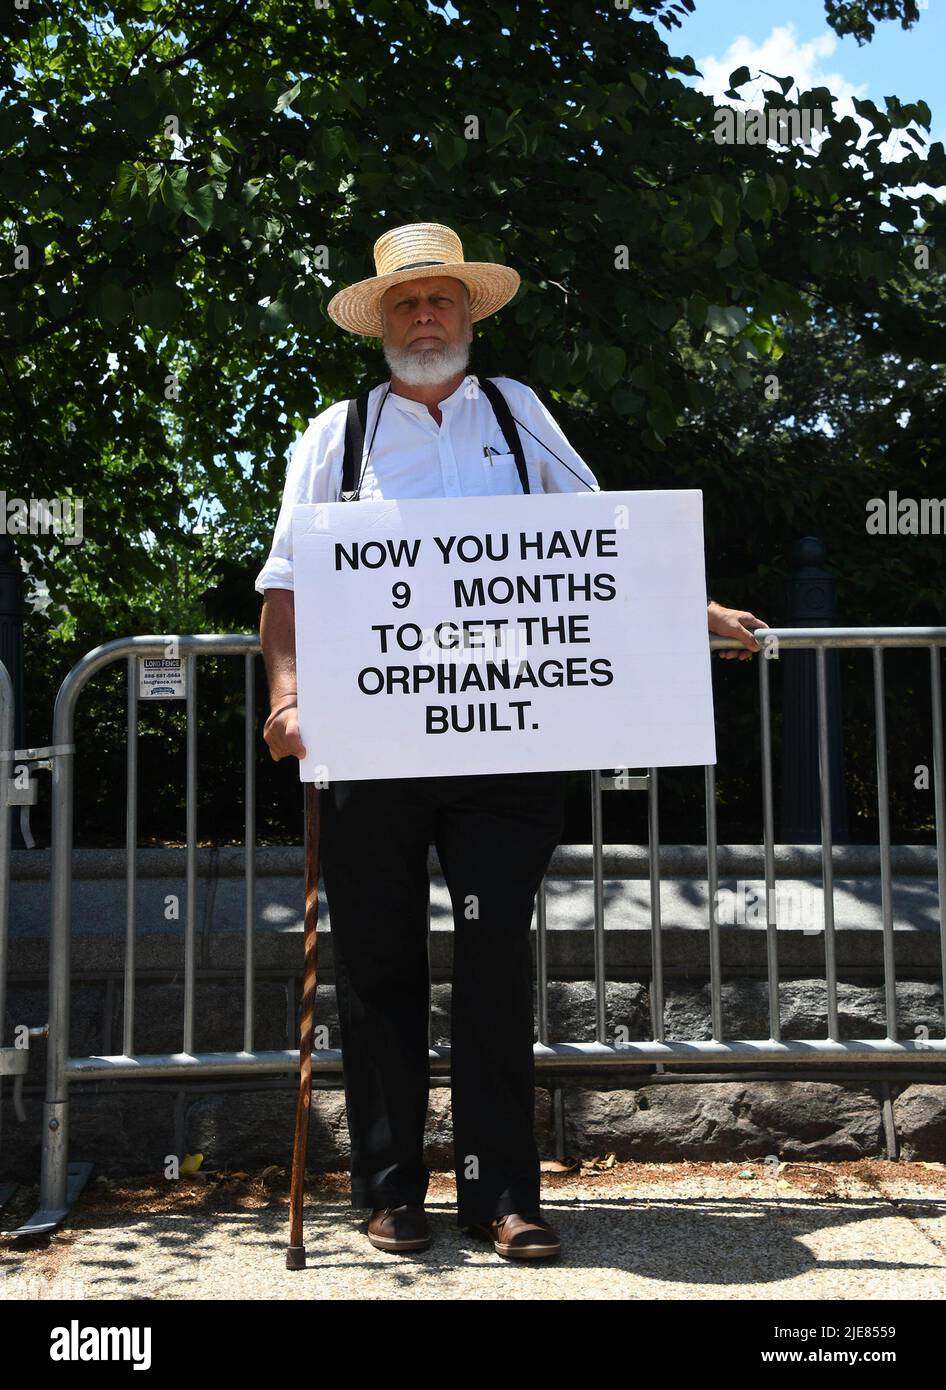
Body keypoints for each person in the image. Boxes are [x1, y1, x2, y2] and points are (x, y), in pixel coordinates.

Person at [255, 222, 766, 1262]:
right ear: (381, 324)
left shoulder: (516, 413)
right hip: (371, 748)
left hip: (507, 744)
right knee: (378, 969)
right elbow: (285, 586)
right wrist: (286, 700)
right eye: (406, 303)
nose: (425, 316)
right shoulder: (333, 437)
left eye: (441, 299)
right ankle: (391, 1190)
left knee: (494, 964)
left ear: (470, 315)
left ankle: (503, 1194)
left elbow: (600, 544)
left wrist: (694, 607)